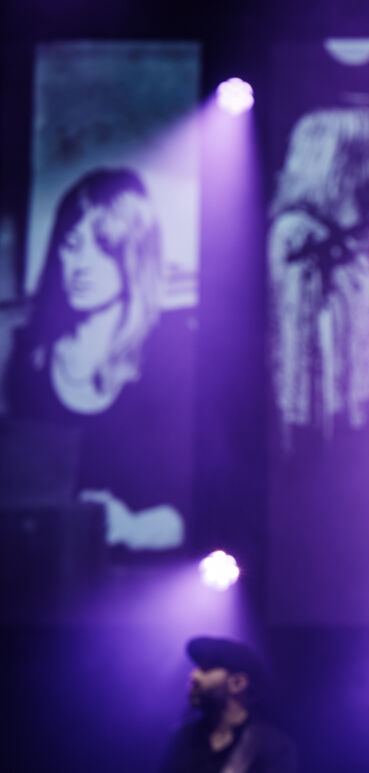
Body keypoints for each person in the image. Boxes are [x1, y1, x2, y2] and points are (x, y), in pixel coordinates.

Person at [4, 167, 192, 550]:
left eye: (105, 246)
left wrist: (133, 528)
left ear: (134, 254)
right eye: (71, 244)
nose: (81, 264)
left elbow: (199, 508)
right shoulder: (29, 359)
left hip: (141, 576)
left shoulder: (169, 358)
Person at [268, 102, 369, 449]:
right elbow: (300, 374)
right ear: (349, 154)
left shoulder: (355, 251)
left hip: (355, 442)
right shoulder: (297, 237)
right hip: (315, 450)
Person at [160, 636, 298, 773]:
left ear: (238, 683)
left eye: (206, 668)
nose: (194, 675)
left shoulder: (274, 748)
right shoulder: (183, 738)